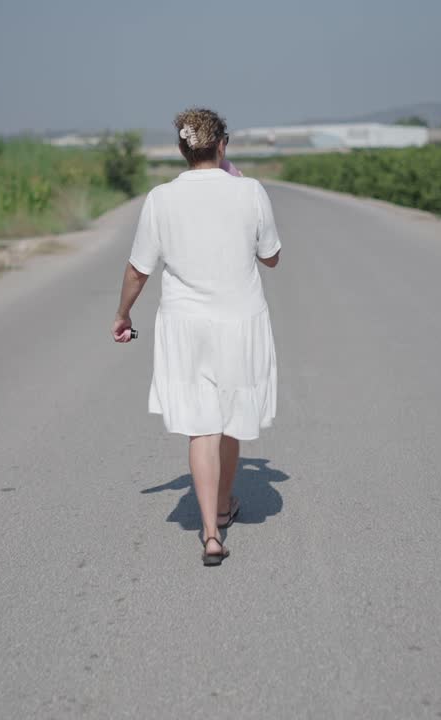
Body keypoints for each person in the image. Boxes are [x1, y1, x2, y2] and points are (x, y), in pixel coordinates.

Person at [112, 108, 281, 566]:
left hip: (185, 325)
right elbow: (271, 257)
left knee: (201, 425)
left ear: (182, 149)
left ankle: (210, 533)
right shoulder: (249, 190)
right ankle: (224, 506)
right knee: (230, 416)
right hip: (240, 321)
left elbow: (138, 269)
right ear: (222, 145)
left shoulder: (161, 198)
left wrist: (123, 314)